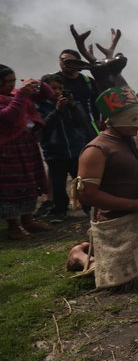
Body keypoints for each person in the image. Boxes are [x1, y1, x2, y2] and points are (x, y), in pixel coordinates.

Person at [69, 86, 138, 287]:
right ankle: (80, 255)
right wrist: (135, 204)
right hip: (116, 220)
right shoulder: (96, 150)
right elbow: (88, 195)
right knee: (129, 276)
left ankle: (95, 248)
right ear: (113, 119)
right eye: (132, 119)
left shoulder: (137, 141)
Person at [0, 65, 53, 239]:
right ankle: (13, 226)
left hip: (26, 145)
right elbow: (10, 116)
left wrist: (37, 84)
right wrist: (22, 94)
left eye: (13, 81)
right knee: (11, 187)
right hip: (7, 149)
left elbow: (47, 94)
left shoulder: (16, 95)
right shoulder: (15, 97)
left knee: (30, 181)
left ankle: (28, 219)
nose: (11, 84)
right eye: (7, 81)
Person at [35, 74, 93, 222]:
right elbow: (44, 128)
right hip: (55, 152)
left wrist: (72, 105)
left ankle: (89, 207)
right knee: (58, 184)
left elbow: (83, 122)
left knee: (81, 182)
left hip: (75, 149)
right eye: (53, 88)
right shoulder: (40, 106)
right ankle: (60, 210)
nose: (58, 91)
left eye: (60, 88)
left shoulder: (72, 104)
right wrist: (57, 110)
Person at [56, 48, 99, 132]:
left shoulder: (88, 81)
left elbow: (96, 103)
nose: (65, 63)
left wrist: (98, 121)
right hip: (61, 127)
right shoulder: (51, 80)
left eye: (69, 61)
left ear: (78, 63)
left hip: (87, 126)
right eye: (62, 60)